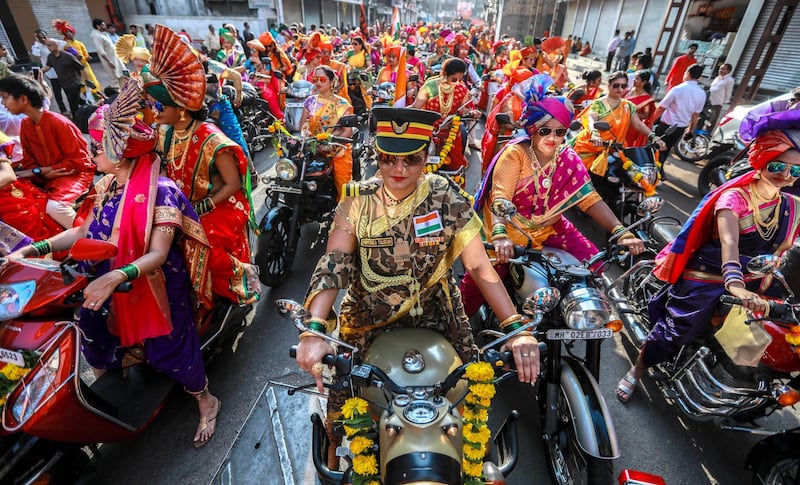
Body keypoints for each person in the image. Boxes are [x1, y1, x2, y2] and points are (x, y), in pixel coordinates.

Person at [295, 107, 540, 467]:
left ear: (427, 157)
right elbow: (334, 263)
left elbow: (478, 265)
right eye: (388, 158)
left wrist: (516, 329)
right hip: (367, 318)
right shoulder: (356, 200)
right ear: (375, 155)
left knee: (470, 399)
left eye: (411, 159)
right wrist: (315, 330)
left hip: (437, 315)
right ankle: (333, 455)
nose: (399, 169)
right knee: (342, 404)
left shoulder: (445, 197)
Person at [4, 79, 221, 446]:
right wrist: (32, 250)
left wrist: (116, 275)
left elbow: (158, 254)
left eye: (97, 147)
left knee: (169, 350)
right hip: (107, 278)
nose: (91, 153)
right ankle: (113, 394)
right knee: (91, 331)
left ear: (119, 153)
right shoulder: (106, 186)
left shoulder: (162, 191)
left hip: (157, 286)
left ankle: (206, 400)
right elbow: (81, 233)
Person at [615, 116, 800, 403]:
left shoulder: (791, 206)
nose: (786, 175)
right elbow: (730, 242)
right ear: (762, 161)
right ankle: (638, 369)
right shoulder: (734, 199)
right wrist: (735, 283)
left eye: (795, 170)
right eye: (778, 166)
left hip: (758, 281)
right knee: (677, 331)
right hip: (713, 276)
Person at [460, 76, 646, 316]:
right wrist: (500, 235)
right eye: (546, 130)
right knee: (484, 279)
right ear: (532, 129)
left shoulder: (568, 156)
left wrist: (622, 232)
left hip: (551, 228)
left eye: (560, 132)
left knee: (596, 267)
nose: (553, 138)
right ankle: (457, 325)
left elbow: (589, 199)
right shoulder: (515, 154)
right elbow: (500, 199)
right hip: (508, 230)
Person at [143, 24, 259, 306]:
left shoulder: (211, 139)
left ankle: (242, 279)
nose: (154, 113)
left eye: (160, 107)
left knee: (195, 246)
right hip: (180, 205)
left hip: (218, 206)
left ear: (181, 108)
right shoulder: (164, 132)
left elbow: (232, 185)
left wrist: (201, 207)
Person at [0, 74, 94, 229]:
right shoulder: (26, 125)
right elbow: (29, 161)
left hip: (74, 174)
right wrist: (41, 172)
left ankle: (91, 238)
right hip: (45, 177)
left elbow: (80, 161)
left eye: (4, 97)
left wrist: (45, 170)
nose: (3, 104)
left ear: (23, 99)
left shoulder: (59, 122)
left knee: (55, 208)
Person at [570, 71, 666, 201]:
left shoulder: (628, 106)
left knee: (631, 175)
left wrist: (653, 137)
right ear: (609, 85)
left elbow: (638, 124)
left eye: (623, 86)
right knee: (579, 175)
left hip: (616, 149)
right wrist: (595, 133)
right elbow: (592, 119)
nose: (620, 89)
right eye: (616, 85)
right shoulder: (599, 103)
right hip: (592, 146)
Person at [411, 58, 479, 174]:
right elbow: (415, 107)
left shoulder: (462, 89)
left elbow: (466, 109)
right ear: (444, 74)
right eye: (454, 79)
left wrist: (473, 113)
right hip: (428, 132)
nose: (457, 82)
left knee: (456, 167)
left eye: (460, 79)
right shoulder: (431, 86)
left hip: (450, 132)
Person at [298, 65, 354, 193]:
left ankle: (345, 210)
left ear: (331, 81)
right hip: (312, 148)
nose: (317, 82)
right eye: (315, 79)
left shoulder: (342, 104)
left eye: (322, 80)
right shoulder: (310, 101)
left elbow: (347, 131)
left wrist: (331, 147)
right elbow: (302, 126)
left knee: (344, 185)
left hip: (336, 149)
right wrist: (306, 139)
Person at [652, 64, 707, 174]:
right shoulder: (701, 94)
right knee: (666, 150)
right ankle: (659, 170)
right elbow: (696, 115)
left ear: (687, 73)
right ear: (699, 77)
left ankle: (654, 172)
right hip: (680, 127)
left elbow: (661, 108)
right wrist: (691, 130)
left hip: (666, 125)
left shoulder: (678, 89)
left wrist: (650, 121)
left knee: (655, 149)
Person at [52, 20, 102, 102]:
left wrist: (87, 57)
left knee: (92, 81)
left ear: (73, 32)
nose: (68, 34)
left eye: (69, 32)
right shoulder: (65, 45)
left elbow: (86, 55)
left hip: (85, 66)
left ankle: (99, 99)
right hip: (75, 68)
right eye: (66, 33)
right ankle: (89, 100)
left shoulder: (80, 43)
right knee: (83, 85)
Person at [32, 30, 68, 113]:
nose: (43, 39)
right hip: (51, 72)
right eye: (40, 38)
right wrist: (38, 44)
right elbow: (36, 54)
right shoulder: (37, 46)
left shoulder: (52, 42)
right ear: (37, 38)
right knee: (57, 92)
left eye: (44, 37)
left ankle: (79, 102)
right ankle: (63, 109)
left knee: (68, 89)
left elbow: (64, 44)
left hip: (61, 70)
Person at [90, 19, 125, 89]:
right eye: (103, 25)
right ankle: (118, 95)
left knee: (122, 74)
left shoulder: (104, 33)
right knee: (114, 78)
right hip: (110, 60)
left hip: (115, 58)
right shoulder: (96, 36)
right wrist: (109, 62)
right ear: (98, 26)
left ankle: (126, 91)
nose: (105, 26)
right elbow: (100, 51)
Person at [625, 70, 657, 147]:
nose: (634, 80)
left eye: (637, 79)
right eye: (634, 78)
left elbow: (645, 115)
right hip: (620, 122)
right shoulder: (630, 90)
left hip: (632, 127)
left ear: (644, 82)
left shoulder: (647, 99)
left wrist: (630, 114)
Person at [708, 63, 735, 130]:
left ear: (728, 71)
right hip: (709, 101)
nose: (720, 70)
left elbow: (728, 92)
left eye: (723, 69)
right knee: (704, 117)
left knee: (712, 119)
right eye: (720, 68)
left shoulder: (729, 80)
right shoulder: (717, 78)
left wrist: (724, 101)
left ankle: (707, 133)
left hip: (717, 103)